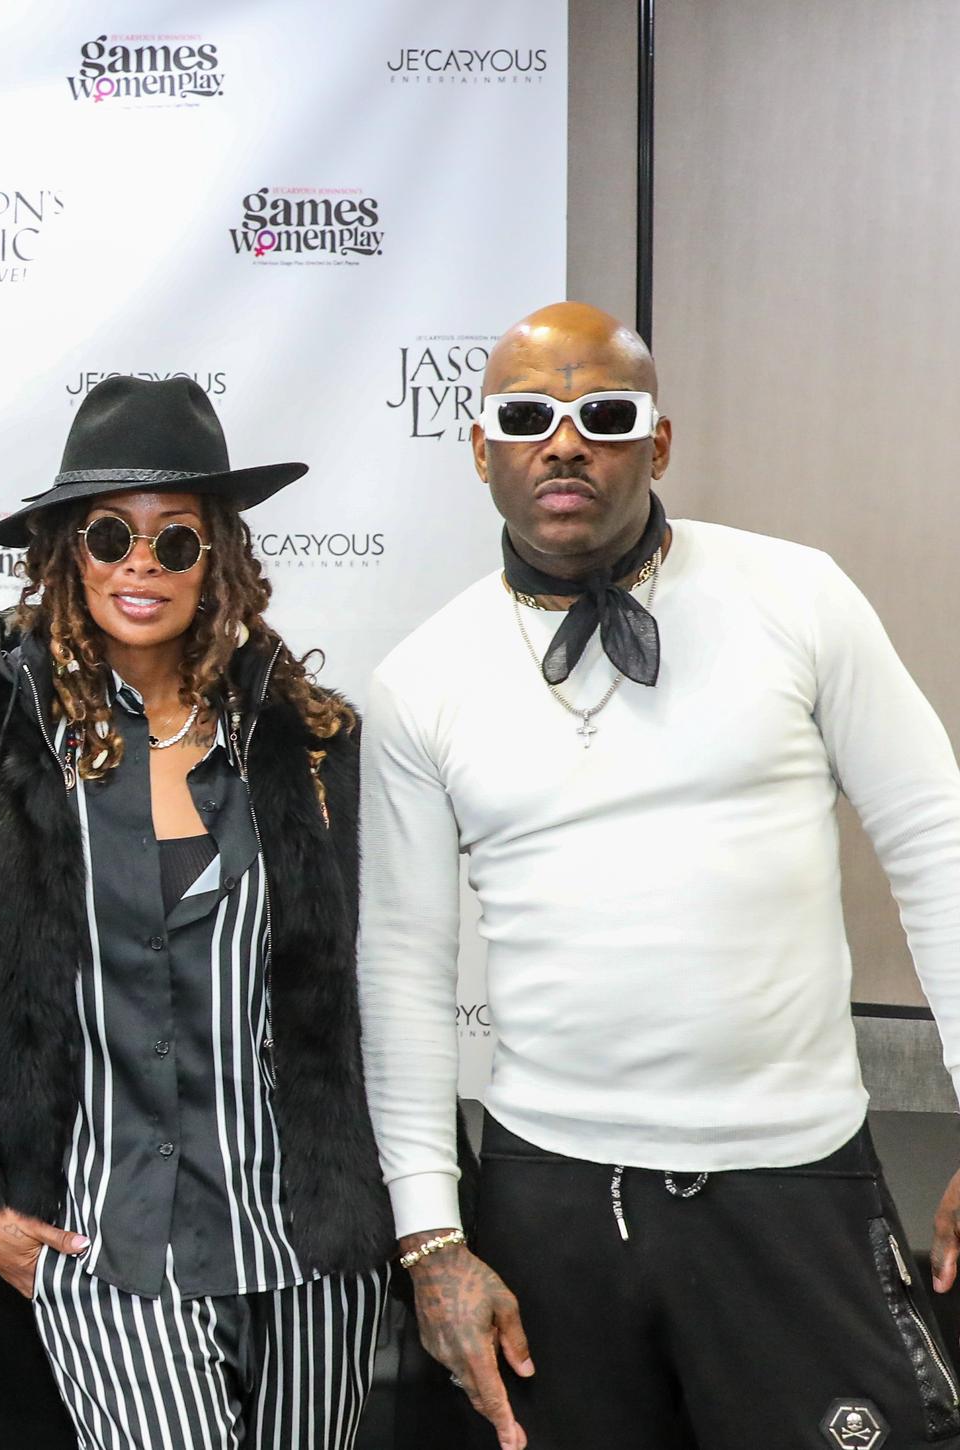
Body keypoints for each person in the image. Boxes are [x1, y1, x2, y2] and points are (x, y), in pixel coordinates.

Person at [360, 302, 960, 1449]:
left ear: (660, 442)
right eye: (529, 416)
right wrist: (432, 1237)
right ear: (482, 449)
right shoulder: (421, 680)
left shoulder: (800, 597)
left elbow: (938, 844)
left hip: (795, 1176)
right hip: (550, 1197)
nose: (566, 443)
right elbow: (398, 969)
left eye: (606, 414)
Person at [0, 375, 394, 1447]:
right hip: (104, 1242)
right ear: (68, 548)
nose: (141, 567)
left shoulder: (303, 739)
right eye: (112, 535)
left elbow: (364, 977)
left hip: (302, 1241)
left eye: (177, 542)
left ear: (221, 561)